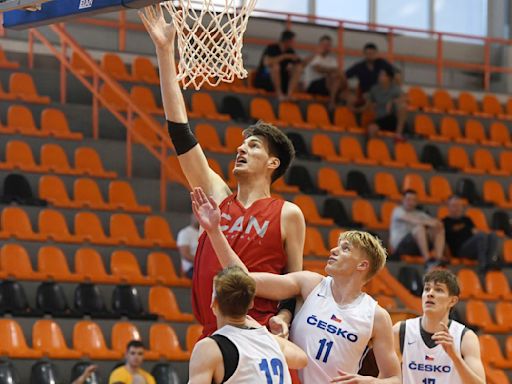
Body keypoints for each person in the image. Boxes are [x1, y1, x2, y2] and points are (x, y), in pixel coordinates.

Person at [139, 5, 306, 339]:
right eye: (242, 145)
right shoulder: (216, 194)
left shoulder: (288, 214)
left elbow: (292, 285)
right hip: (212, 333)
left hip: (259, 336)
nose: (241, 149)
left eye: (254, 146)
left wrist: (285, 318)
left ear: (273, 164)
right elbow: (180, 132)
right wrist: (163, 51)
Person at [190, 187, 401, 384]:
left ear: (362, 265)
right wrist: (214, 231)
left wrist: (369, 381)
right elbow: (245, 279)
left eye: (345, 249)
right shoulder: (309, 284)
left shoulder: (376, 316)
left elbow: (395, 378)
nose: (333, 251)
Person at [189, 266, 308, 383]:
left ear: (214, 303)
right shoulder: (270, 341)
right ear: (251, 303)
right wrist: (260, 330)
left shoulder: (209, 348)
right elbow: (302, 359)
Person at [393, 270, 486, 384]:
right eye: (427, 289)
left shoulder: (466, 337)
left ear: (452, 301)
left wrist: (455, 357)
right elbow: (388, 377)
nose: (430, 293)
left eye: (439, 290)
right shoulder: (401, 330)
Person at [443, 195, 500, 273]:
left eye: (459, 206)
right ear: (448, 208)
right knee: (481, 236)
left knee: (493, 235)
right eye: (454, 206)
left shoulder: (467, 219)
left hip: (473, 247)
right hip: (459, 250)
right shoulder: (445, 221)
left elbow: (474, 231)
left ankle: (489, 262)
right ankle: (482, 264)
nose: (457, 208)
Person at [390, 189, 445, 267]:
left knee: (438, 228)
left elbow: (436, 223)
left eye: (414, 200)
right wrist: (428, 222)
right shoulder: (398, 211)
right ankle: (427, 260)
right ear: (403, 200)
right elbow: (412, 220)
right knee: (419, 228)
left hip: (417, 246)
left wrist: (436, 224)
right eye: (408, 199)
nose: (411, 202)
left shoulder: (419, 213)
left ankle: (438, 258)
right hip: (401, 246)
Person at [254, 30, 303, 101]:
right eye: (293, 41)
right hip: (266, 78)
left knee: (298, 68)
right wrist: (284, 56)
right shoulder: (272, 48)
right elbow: (267, 62)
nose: (294, 43)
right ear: (287, 41)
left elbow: (300, 64)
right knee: (275, 67)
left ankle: (289, 93)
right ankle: (279, 94)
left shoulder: (290, 51)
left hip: (282, 80)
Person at [365, 68, 407, 140]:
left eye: (382, 75)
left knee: (402, 106)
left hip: (392, 118)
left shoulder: (395, 89)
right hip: (381, 118)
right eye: (380, 74)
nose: (379, 76)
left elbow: (406, 99)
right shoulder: (374, 89)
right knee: (371, 128)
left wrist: (392, 101)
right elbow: (368, 102)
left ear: (389, 78)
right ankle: (375, 148)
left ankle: (398, 133)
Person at [304, 35, 342, 109]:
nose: (326, 47)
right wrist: (332, 70)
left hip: (327, 85)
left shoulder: (332, 60)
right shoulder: (315, 57)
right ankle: (332, 102)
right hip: (312, 85)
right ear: (320, 45)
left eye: (328, 45)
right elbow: (318, 69)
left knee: (346, 92)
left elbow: (338, 72)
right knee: (333, 76)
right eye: (324, 45)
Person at [177, 213, 200, 278]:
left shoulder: (206, 233)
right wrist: (201, 262)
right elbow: (185, 255)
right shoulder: (185, 233)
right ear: (192, 217)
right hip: (191, 268)